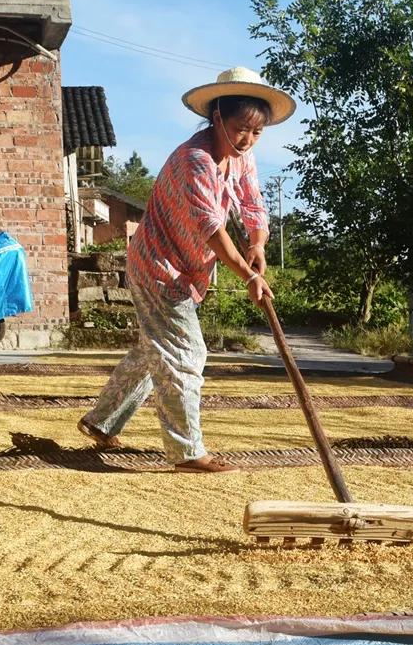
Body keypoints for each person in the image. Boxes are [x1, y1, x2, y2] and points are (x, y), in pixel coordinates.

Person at [79, 66, 296, 472]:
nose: (248, 139)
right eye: (240, 129)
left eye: (257, 132)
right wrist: (248, 276)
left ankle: (101, 421)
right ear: (217, 118)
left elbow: (252, 203)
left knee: (154, 350)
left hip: (188, 270)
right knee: (184, 353)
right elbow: (210, 228)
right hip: (159, 268)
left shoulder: (241, 159)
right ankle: (187, 452)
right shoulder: (194, 160)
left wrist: (258, 243)